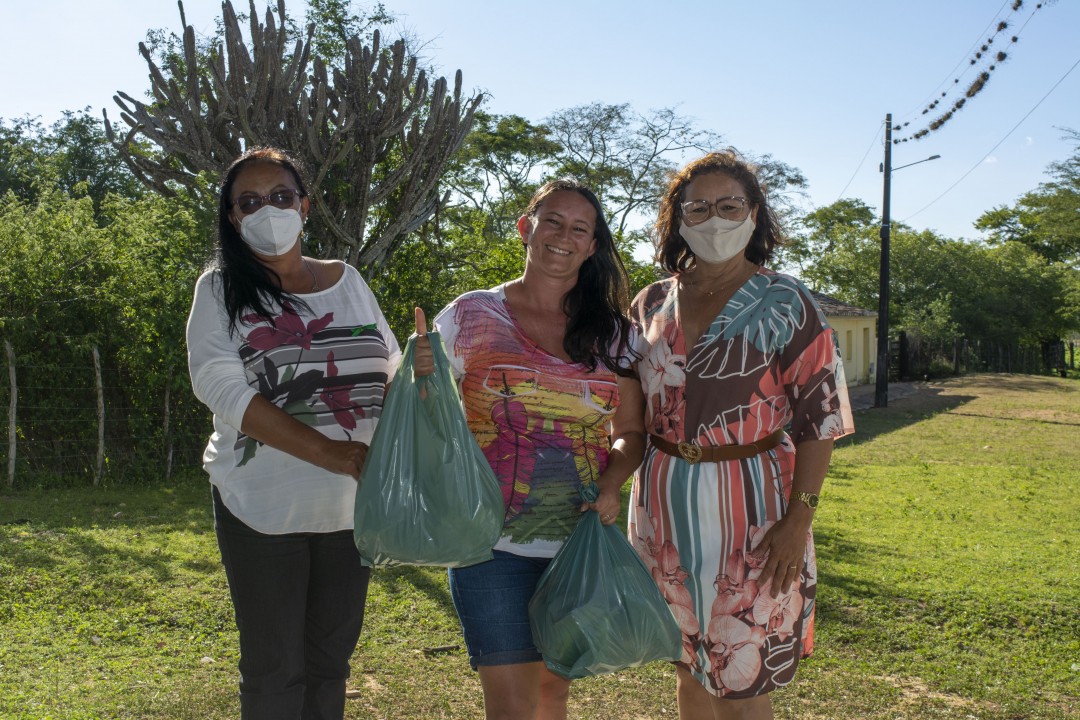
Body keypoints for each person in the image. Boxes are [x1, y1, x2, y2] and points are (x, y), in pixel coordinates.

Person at [627, 150, 855, 720]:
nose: (714, 220)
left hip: (756, 507)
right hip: (662, 503)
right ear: (676, 220)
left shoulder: (789, 303)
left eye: (729, 206)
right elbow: (627, 403)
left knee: (744, 667)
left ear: (754, 214)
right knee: (685, 659)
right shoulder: (651, 303)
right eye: (697, 208)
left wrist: (799, 518)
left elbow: (819, 419)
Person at [413, 179, 646, 720]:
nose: (563, 236)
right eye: (552, 221)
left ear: (592, 246)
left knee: (552, 695)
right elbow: (425, 416)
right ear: (527, 228)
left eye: (579, 229)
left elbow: (632, 432)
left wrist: (612, 485)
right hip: (486, 542)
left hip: (578, 542)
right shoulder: (470, 315)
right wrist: (418, 378)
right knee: (511, 703)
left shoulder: (615, 335)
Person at [186, 146, 401, 720]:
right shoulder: (219, 289)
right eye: (249, 202)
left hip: (351, 509)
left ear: (305, 206)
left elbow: (391, 370)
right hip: (261, 509)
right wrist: (326, 452)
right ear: (233, 218)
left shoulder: (348, 281)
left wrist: (423, 378)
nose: (268, 210)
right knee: (274, 672)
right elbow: (220, 387)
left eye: (281, 197)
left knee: (330, 666)